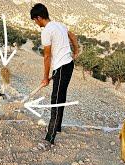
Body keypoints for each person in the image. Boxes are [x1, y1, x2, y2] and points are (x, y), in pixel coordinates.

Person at [30, 3, 79, 146]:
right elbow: (72, 36)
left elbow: (47, 56)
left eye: (35, 20)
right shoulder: (59, 25)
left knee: (56, 99)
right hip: (69, 65)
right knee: (61, 96)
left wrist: (45, 77)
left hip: (61, 67)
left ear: (39, 17)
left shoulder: (46, 31)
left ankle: (49, 138)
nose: (35, 23)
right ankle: (57, 127)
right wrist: (75, 51)